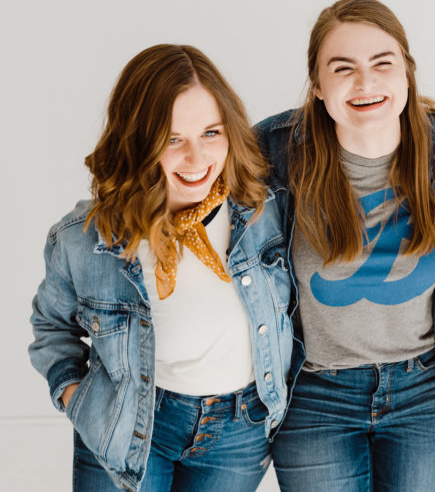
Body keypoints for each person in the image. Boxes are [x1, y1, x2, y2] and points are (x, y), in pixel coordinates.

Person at [28, 44, 298, 492]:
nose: (196, 160)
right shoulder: (85, 238)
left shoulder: (263, 212)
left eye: (211, 133)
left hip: (238, 432)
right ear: (137, 139)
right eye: (173, 139)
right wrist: (79, 400)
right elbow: (51, 330)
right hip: (129, 425)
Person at [255, 0, 435, 492]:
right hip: (315, 395)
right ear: (317, 85)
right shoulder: (276, 153)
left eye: (383, 63)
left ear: (406, 75)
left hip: (423, 390)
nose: (365, 83)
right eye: (342, 68)